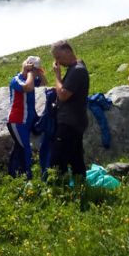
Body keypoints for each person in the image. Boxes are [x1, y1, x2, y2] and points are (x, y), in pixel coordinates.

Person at [50, 40, 90, 182]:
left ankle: (59, 189)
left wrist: (57, 76)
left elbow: (63, 94)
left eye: (59, 57)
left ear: (67, 51)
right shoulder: (77, 68)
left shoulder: (77, 70)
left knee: (58, 158)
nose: (58, 61)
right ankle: (80, 184)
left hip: (69, 122)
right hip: (76, 120)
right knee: (75, 156)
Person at [7, 55, 46, 179]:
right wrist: (28, 72)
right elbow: (28, 87)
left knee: (19, 148)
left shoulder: (32, 78)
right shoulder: (16, 80)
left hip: (27, 120)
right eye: (34, 70)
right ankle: (27, 176)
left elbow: (44, 82)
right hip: (17, 121)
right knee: (25, 149)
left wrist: (39, 73)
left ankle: (14, 173)